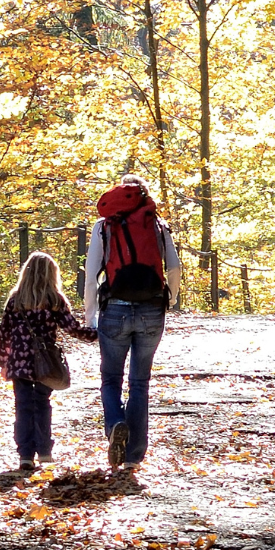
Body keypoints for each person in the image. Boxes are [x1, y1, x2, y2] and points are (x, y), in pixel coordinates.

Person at [84, 174, 181, 470]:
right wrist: (172, 299)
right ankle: (133, 456)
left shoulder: (104, 226)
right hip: (152, 309)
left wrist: (90, 316)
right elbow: (174, 267)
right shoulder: (156, 223)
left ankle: (115, 424)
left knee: (111, 378)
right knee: (140, 382)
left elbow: (91, 275)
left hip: (114, 309)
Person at [0, 251, 98, 471]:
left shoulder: (16, 299)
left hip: (19, 362)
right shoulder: (54, 299)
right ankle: (44, 451)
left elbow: (4, 332)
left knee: (22, 406)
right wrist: (95, 334)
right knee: (42, 403)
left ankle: (25, 454)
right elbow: (72, 328)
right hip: (45, 362)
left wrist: (3, 362)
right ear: (52, 274)